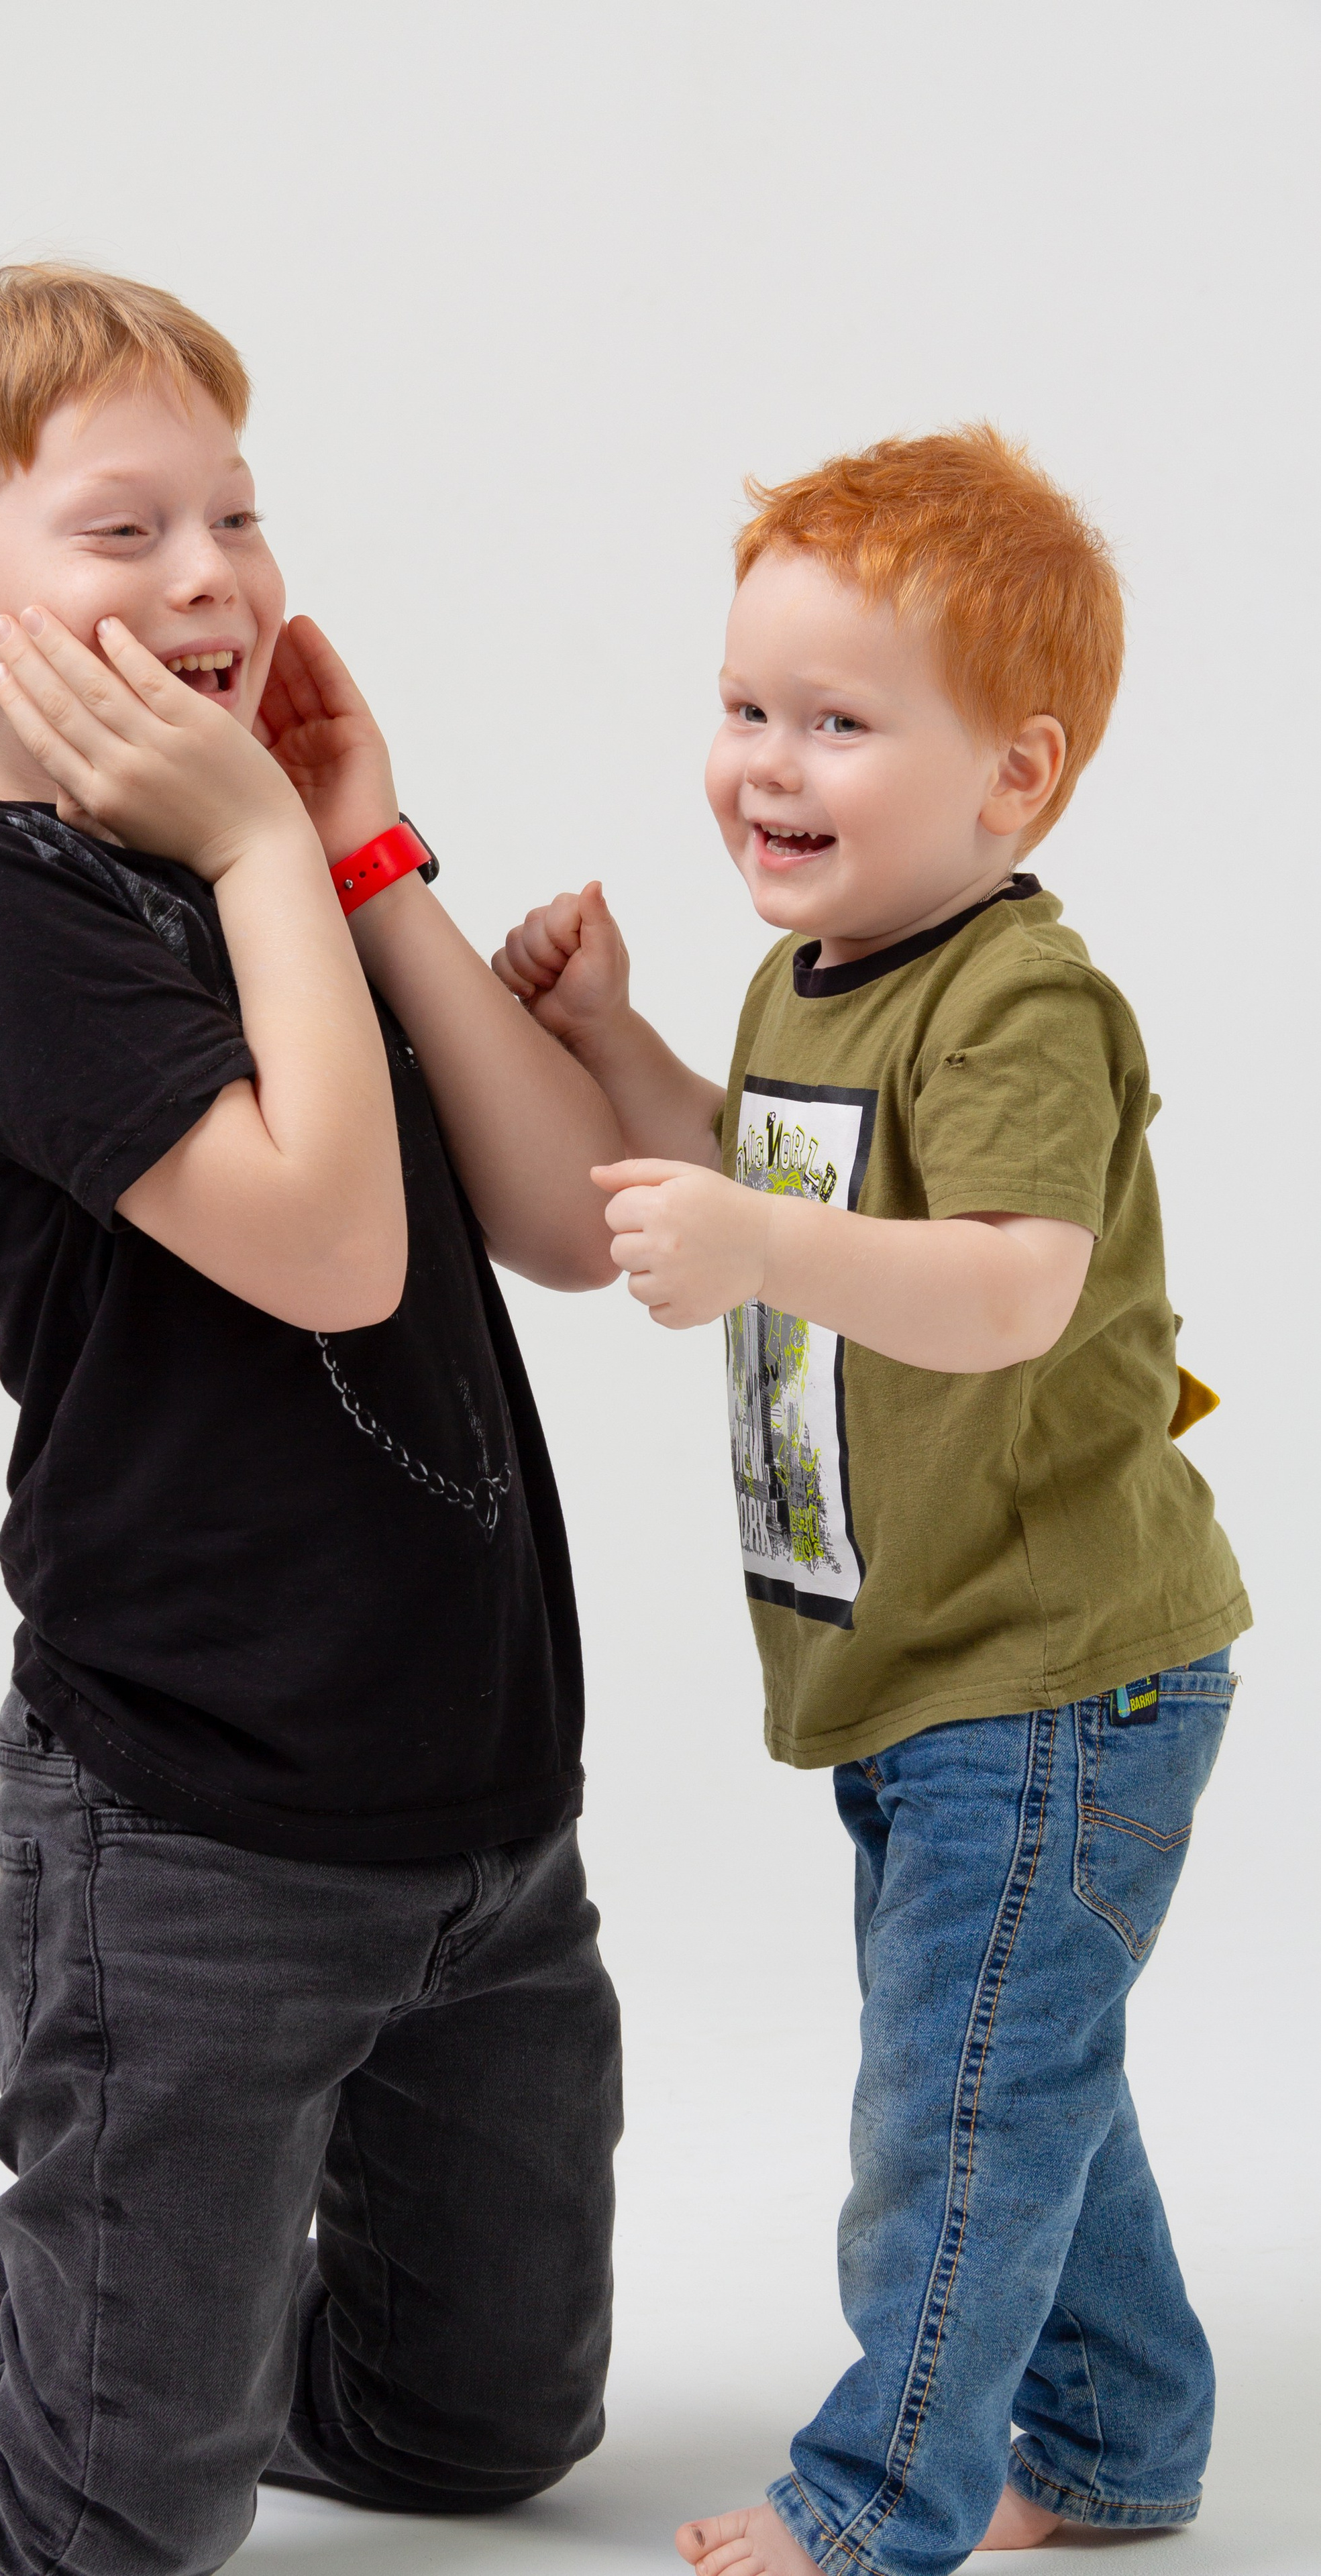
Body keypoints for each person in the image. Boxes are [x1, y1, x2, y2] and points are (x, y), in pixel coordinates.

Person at [0, 264, 631, 2575]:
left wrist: (355, 834)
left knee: (471, 2435)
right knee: (106, 2509)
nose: (211, 580)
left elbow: (572, 1224)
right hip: (190, 1828)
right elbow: (331, 1245)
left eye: (238, 518)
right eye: (122, 532)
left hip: (478, 1823)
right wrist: (266, 852)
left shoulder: (289, 879)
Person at [494, 427, 1250, 2576]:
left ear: (1014, 780)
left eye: (839, 723)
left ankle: (874, 2506)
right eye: (745, 709)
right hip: (922, 1666)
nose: (769, 765)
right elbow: (766, 1171)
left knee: (954, 2111)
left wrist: (751, 1255)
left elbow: (1015, 1284)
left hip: (1050, 1678)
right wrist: (623, 1044)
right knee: (1024, 2075)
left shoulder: (1017, 994)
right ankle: (1116, 2448)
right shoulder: (806, 979)